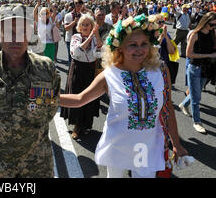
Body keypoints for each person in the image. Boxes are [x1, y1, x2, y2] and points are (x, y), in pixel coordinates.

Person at [59, 14, 188, 178]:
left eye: (144, 44)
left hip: (146, 146)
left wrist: (176, 143)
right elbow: (80, 100)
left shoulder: (160, 70)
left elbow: (167, 107)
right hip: (117, 146)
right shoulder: (109, 75)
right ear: (119, 47)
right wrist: (46, 96)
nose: (139, 49)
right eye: (132, 45)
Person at [0, 3, 61, 178]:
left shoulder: (46, 68)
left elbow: (51, 108)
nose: (15, 38)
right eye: (8, 31)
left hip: (38, 163)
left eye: (21, 31)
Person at [60, 14, 102, 139]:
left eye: (87, 24)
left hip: (90, 70)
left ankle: (87, 125)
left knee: (90, 97)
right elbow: (76, 52)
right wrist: (90, 37)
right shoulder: (76, 36)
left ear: (92, 26)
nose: (84, 27)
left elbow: (99, 53)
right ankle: (77, 126)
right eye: (83, 24)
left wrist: (96, 35)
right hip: (78, 69)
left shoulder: (95, 38)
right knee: (78, 95)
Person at [178, 12, 216, 134]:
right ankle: (197, 122)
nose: (213, 27)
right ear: (205, 22)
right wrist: (209, 55)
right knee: (196, 98)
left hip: (207, 68)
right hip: (195, 68)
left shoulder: (212, 33)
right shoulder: (195, 34)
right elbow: (189, 54)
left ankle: (183, 104)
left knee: (196, 92)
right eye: (211, 24)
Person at [63, 0, 85, 66]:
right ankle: (70, 73)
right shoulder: (68, 15)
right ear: (74, 6)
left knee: (80, 57)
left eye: (80, 6)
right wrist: (74, 22)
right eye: (77, 6)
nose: (79, 8)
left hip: (81, 39)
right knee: (71, 58)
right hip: (70, 39)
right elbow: (66, 28)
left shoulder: (83, 16)